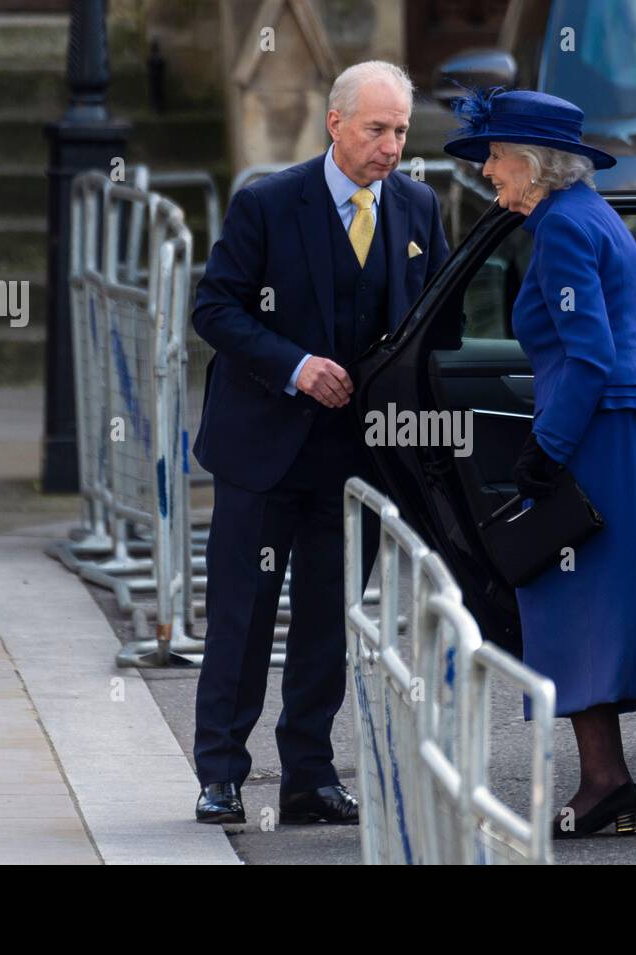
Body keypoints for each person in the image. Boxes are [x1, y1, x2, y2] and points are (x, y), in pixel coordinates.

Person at [191, 61, 450, 825]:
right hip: (262, 451)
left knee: (327, 624)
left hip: (356, 459)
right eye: (376, 129)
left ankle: (309, 774)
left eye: (401, 130)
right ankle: (221, 774)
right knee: (240, 618)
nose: (391, 146)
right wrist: (296, 367)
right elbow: (215, 308)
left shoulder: (418, 209)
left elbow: (436, 324)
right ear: (335, 124)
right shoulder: (267, 204)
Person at [444, 88, 636, 839]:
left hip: (597, 424)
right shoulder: (580, 217)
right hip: (611, 421)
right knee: (585, 599)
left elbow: (589, 354)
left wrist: (549, 447)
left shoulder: (566, 228)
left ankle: (606, 781)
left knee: (575, 596)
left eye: (497, 156)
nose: (487, 171)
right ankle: (610, 781)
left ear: (535, 163)